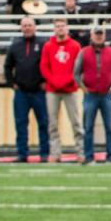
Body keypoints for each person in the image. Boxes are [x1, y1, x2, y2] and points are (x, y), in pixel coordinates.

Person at [4, 15, 49, 162]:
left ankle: (44, 153)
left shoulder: (43, 44)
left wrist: (45, 81)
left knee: (43, 123)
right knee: (21, 123)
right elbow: (7, 66)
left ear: (35, 27)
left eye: (30, 25)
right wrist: (12, 83)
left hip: (38, 91)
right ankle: (22, 154)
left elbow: (49, 64)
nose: (27, 28)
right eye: (25, 25)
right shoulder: (15, 45)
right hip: (21, 92)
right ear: (21, 28)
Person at [75, 24, 111, 164]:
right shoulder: (83, 52)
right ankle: (89, 157)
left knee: (110, 127)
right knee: (88, 127)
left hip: (106, 95)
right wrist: (83, 88)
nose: (99, 36)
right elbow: (76, 73)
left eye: (101, 34)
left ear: (104, 36)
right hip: (90, 95)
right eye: (96, 34)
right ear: (92, 36)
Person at [40, 17, 82, 161]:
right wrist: (54, 82)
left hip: (70, 89)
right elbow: (44, 67)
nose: (60, 28)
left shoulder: (75, 45)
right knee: (52, 123)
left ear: (67, 28)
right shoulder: (48, 46)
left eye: (62, 26)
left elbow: (77, 67)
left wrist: (66, 81)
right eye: (57, 26)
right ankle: (55, 153)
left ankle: (80, 151)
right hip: (52, 90)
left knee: (76, 121)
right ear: (54, 28)